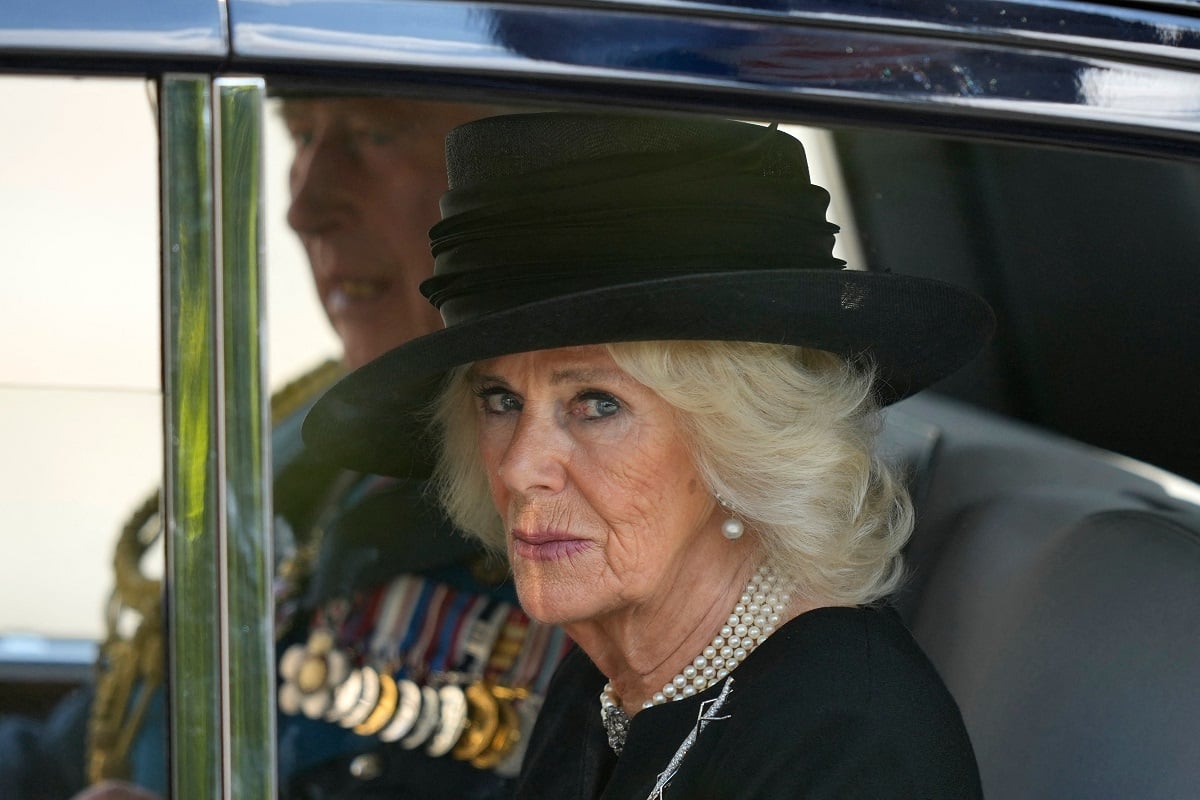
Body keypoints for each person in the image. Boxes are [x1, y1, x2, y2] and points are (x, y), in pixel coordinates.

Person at [303, 111, 994, 797]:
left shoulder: (849, 739)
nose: (518, 468)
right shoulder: (607, 677)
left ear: (744, 438)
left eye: (597, 404)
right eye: (500, 401)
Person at [0, 95, 565, 800]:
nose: (305, 206)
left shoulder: (595, 502)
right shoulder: (300, 440)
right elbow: (92, 748)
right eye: (300, 135)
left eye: (374, 133)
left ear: (537, 172)